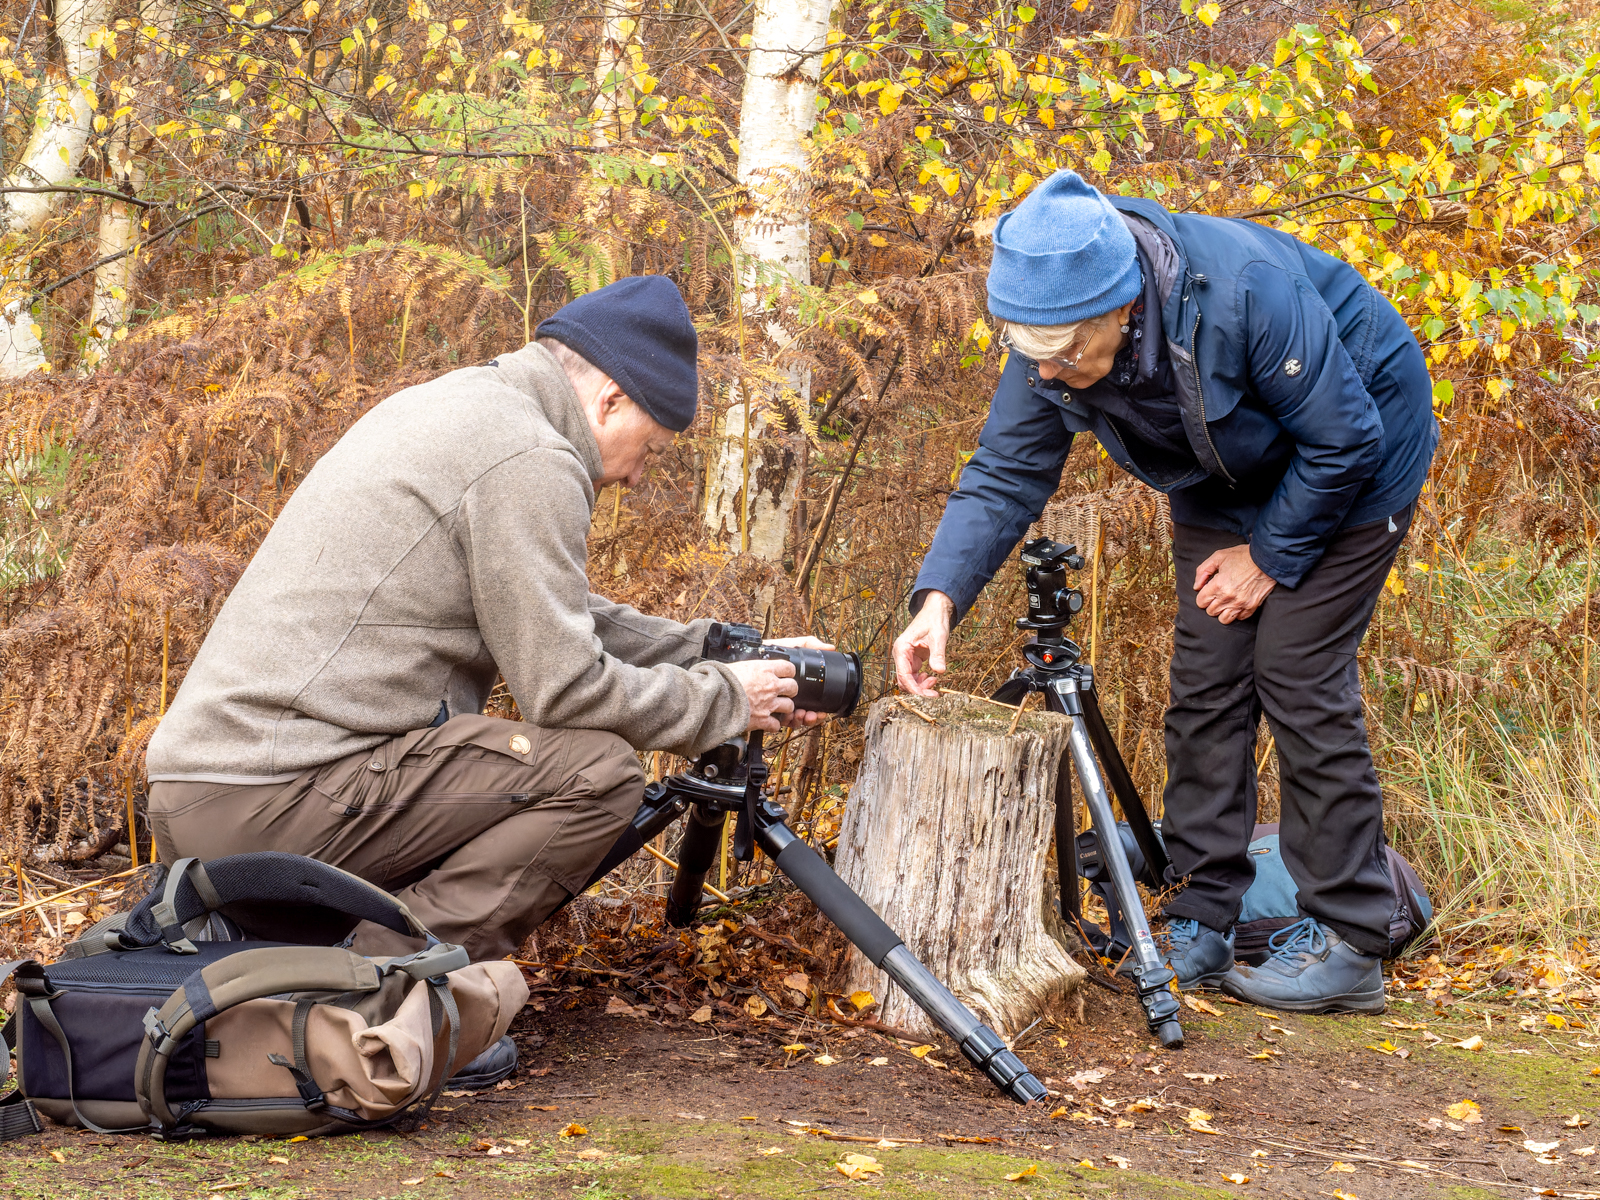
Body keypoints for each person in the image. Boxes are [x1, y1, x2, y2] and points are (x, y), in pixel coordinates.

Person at [145, 276, 825, 1081]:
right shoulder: (530, 455)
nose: (640, 476)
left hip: (212, 796)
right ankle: (377, 1001)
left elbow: (550, 608)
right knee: (597, 771)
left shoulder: (464, 407)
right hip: (272, 800)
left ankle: (306, 963)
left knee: (546, 757)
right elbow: (566, 691)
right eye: (654, 445)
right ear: (609, 401)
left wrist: (713, 646)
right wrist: (724, 701)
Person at [892, 170, 1437, 1014]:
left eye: (1070, 352)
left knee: (1296, 670)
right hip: (1223, 472)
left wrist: (1268, 556)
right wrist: (939, 600)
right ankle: (1204, 912)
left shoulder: (1243, 294)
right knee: (1207, 681)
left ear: (1123, 305)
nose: (1057, 373)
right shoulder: (1052, 341)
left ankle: (1354, 937)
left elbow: (1344, 438)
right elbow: (1004, 473)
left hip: (1357, 453)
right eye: (1034, 352)